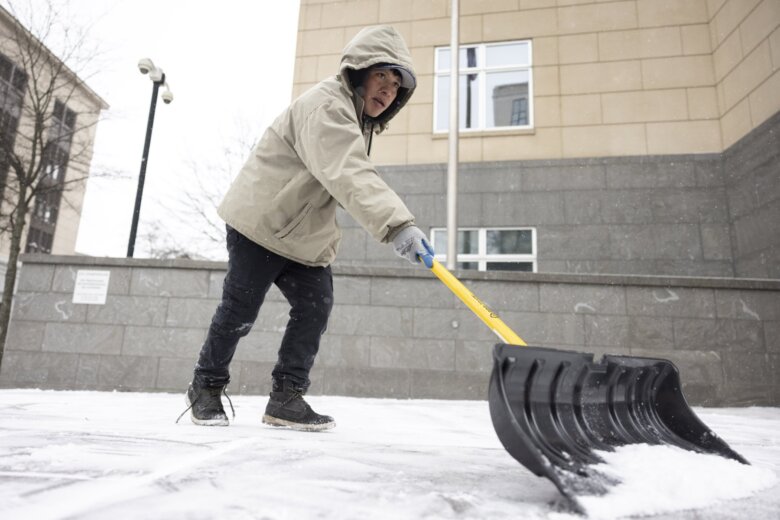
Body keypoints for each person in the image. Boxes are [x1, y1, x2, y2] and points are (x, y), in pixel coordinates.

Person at [179, 25, 433, 431]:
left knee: (315, 305)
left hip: (301, 235)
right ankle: (206, 387)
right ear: (359, 72)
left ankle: (286, 398)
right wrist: (398, 225)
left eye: (397, 83)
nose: (388, 89)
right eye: (382, 75)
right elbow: (348, 172)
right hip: (262, 223)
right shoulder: (328, 107)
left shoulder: (356, 118)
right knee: (240, 308)